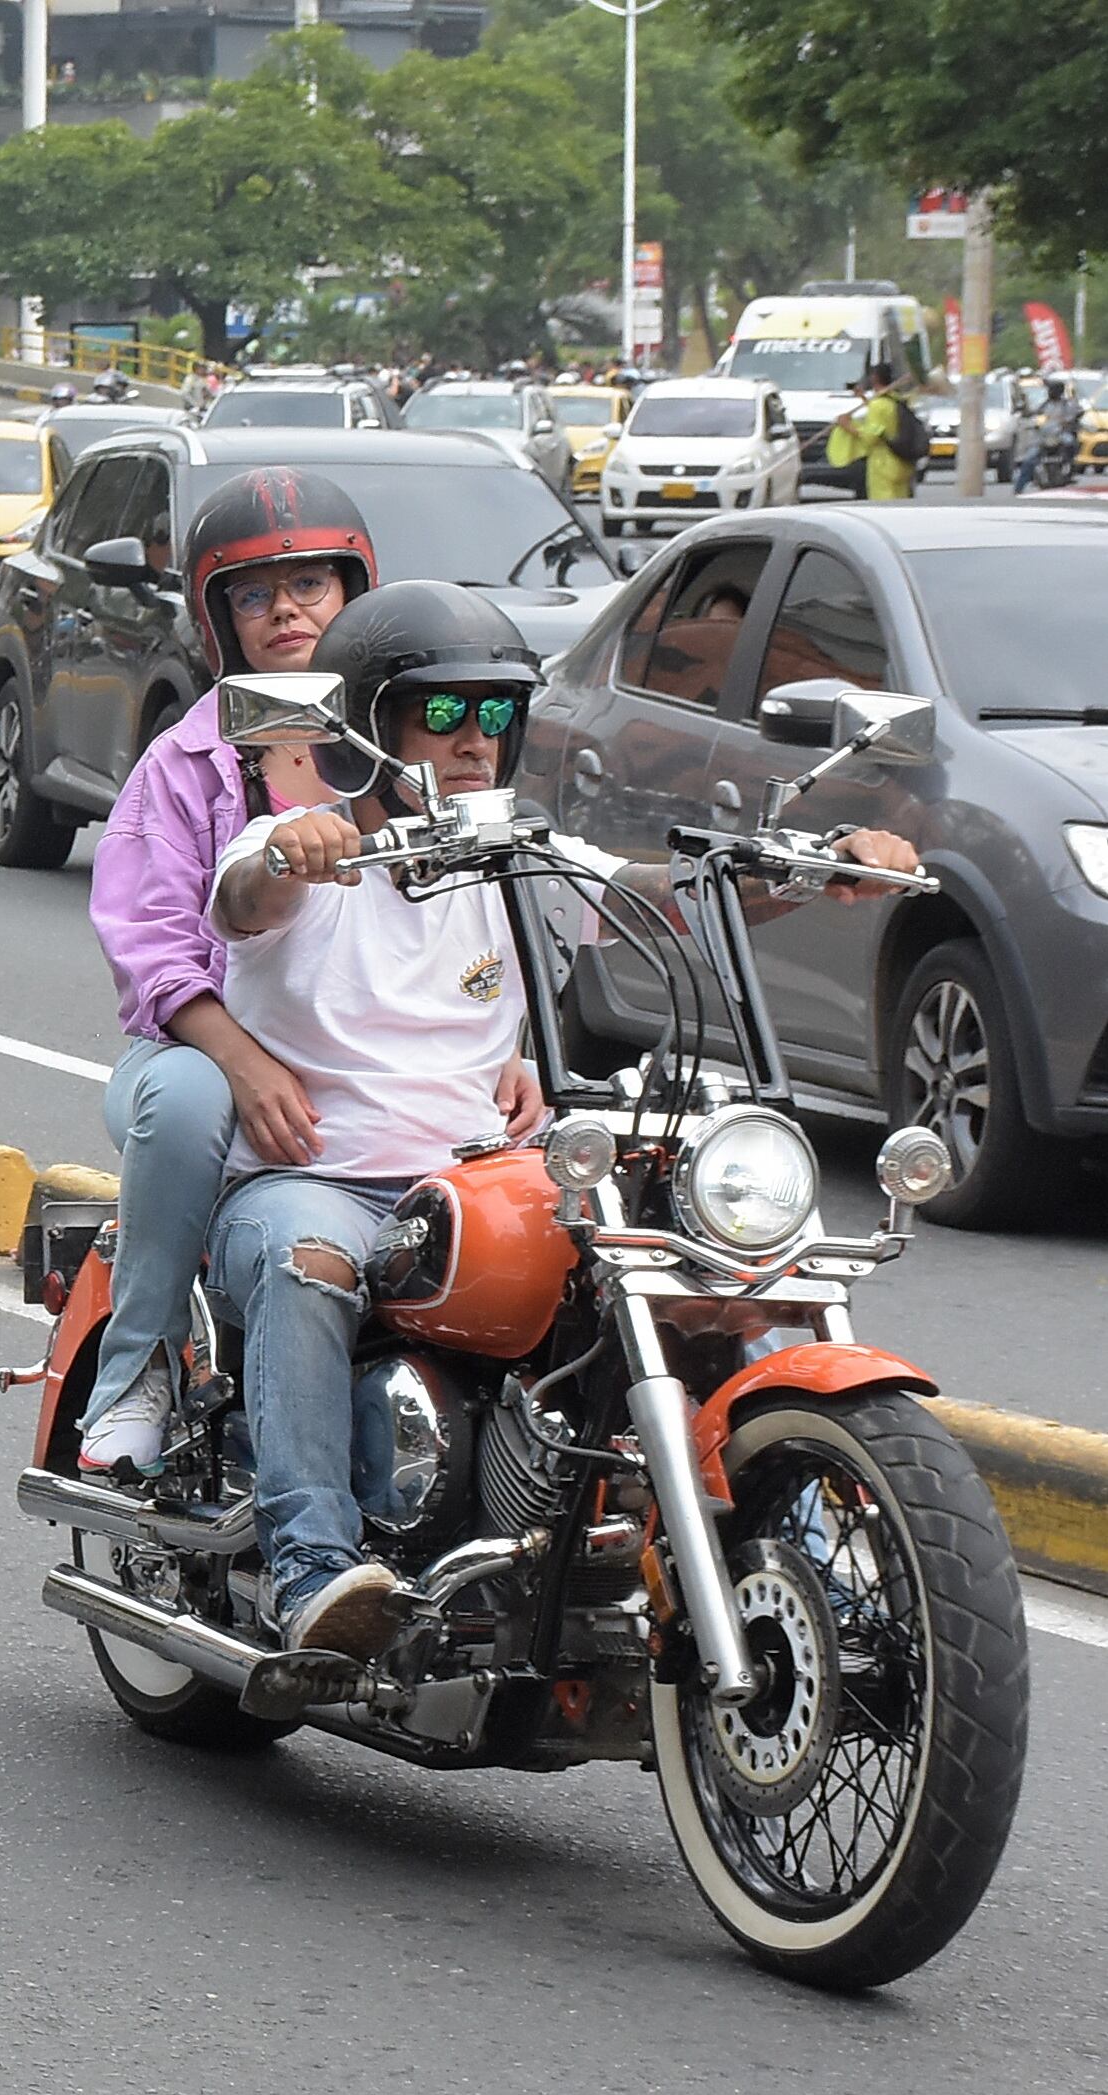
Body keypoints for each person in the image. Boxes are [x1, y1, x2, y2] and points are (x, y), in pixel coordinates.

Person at [204, 583, 920, 1655]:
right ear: (369, 724)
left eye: (494, 717)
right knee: (307, 1263)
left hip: (488, 1173)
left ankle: (773, 1538)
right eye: (441, 715)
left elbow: (657, 892)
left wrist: (821, 870)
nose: (471, 744)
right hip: (321, 1180)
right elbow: (241, 899)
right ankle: (313, 1564)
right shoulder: (302, 852)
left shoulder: (516, 862)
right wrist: (289, 848)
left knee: (692, 1268)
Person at [74, 467, 376, 1480]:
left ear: (354, 595)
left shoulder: (397, 749)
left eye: (311, 587)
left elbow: (474, 917)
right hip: (195, 1056)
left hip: (366, 1059)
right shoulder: (181, 762)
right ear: (221, 616)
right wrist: (244, 1063)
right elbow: (150, 948)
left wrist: (507, 1054)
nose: (286, 610)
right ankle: (138, 1370)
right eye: (255, 593)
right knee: (195, 1093)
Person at [828, 362, 921, 502]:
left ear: (875, 378)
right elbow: (881, 415)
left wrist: (846, 425)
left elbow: (870, 437)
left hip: (883, 465)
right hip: (901, 463)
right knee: (901, 504)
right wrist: (863, 399)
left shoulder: (878, 405)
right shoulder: (894, 400)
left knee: (884, 505)